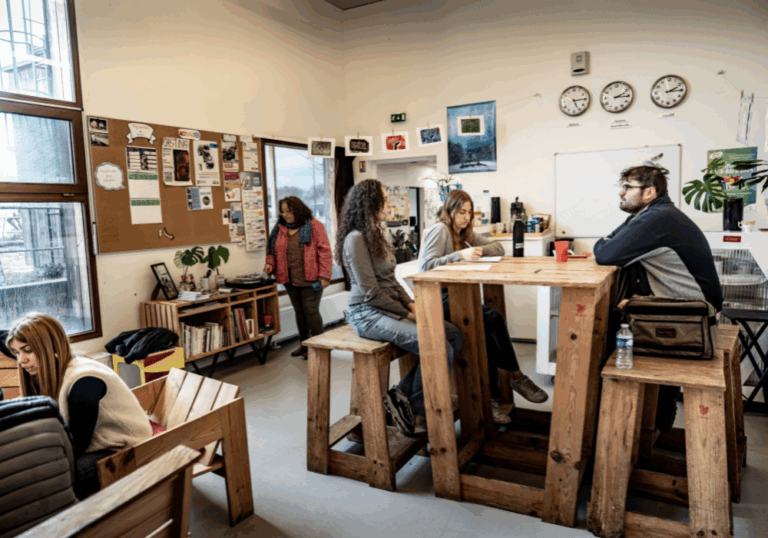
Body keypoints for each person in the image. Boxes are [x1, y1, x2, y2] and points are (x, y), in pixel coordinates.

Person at [594, 164, 723, 430]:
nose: (621, 192)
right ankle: (646, 418)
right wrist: (605, 242)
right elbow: (613, 243)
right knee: (616, 322)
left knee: (607, 334)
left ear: (650, 191)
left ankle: (629, 423)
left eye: (629, 187)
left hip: (694, 317)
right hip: (685, 309)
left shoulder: (659, 218)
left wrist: (602, 242)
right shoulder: (652, 214)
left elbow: (605, 252)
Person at [337, 179, 464, 437]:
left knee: (455, 334)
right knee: (437, 344)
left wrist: (411, 303)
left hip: (388, 309)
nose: (390, 203)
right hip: (366, 314)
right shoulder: (355, 239)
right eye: (384, 200)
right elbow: (371, 293)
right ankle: (414, 408)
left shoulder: (376, 236)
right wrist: (409, 315)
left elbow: (391, 279)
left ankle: (401, 399)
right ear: (369, 205)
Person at [419, 190, 548, 425]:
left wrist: (476, 251)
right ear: (449, 211)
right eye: (461, 212)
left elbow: (498, 248)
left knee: (485, 333)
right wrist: (459, 255)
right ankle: (516, 376)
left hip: (458, 297)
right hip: (437, 298)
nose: (466, 217)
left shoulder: (466, 233)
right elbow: (425, 266)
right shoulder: (441, 230)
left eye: (469, 212)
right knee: (493, 318)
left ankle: (492, 400)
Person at [7, 313, 152, 499]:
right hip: (96, 445)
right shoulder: (49, 372)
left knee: (46, 479)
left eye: (28, 351)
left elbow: (76, 445)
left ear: (50, 347)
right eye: (17, 352)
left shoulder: (83, 381)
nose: (21, 360)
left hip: (127, 449)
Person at [264, 197, 332, 358]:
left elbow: (325, 253)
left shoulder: (315, 226)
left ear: (298, 210)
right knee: (299, 312)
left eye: (289, 211)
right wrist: (270, 264)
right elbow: (272, 250)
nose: (285, 214)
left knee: (311, 311)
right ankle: (304, 345)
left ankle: (319, 348)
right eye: (283, 211)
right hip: (290, 278)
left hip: (311, 279)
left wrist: (324, 276)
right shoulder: (279, 228)